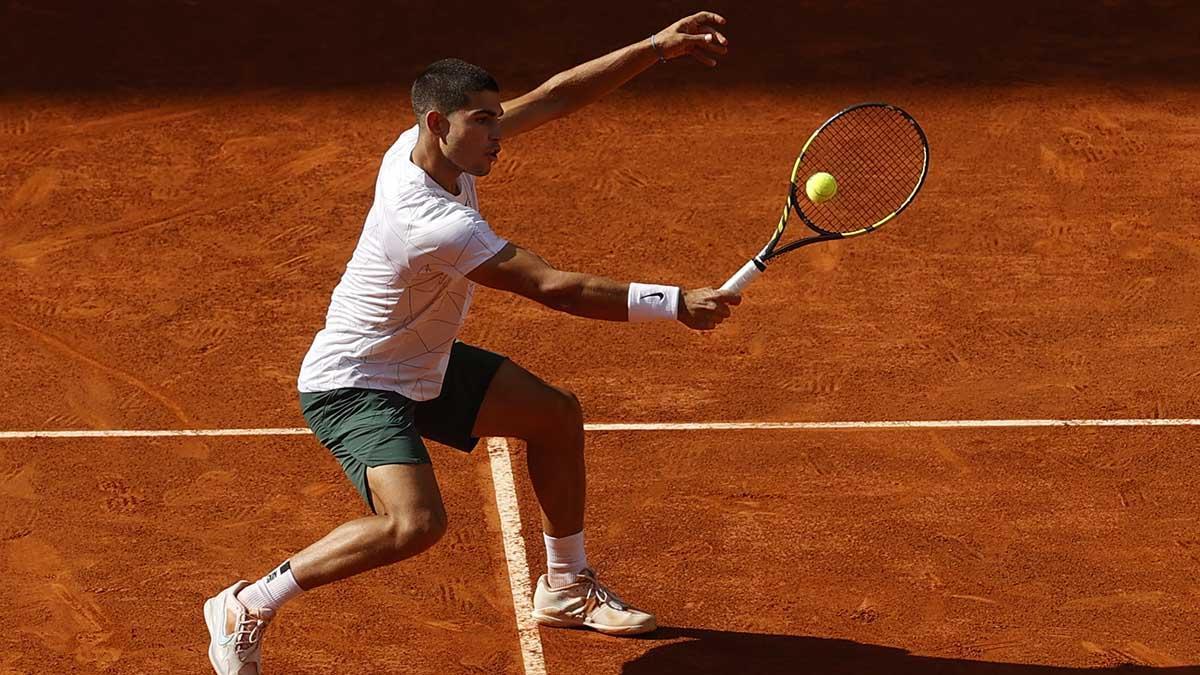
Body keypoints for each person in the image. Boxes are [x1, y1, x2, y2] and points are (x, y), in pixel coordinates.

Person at [203, 11, 737, 674]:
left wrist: (654, 49)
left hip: (418, 359)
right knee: (414, 523)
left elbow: (555, 96)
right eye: (483, 121)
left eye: (494, 117)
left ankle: (567, 587)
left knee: (552, 414)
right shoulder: (430, 221)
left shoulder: (429, 143)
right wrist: (675, 303)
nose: (498, 134)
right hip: (357, 382)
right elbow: (552, 286)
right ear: (438, 123)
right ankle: (246, 602)